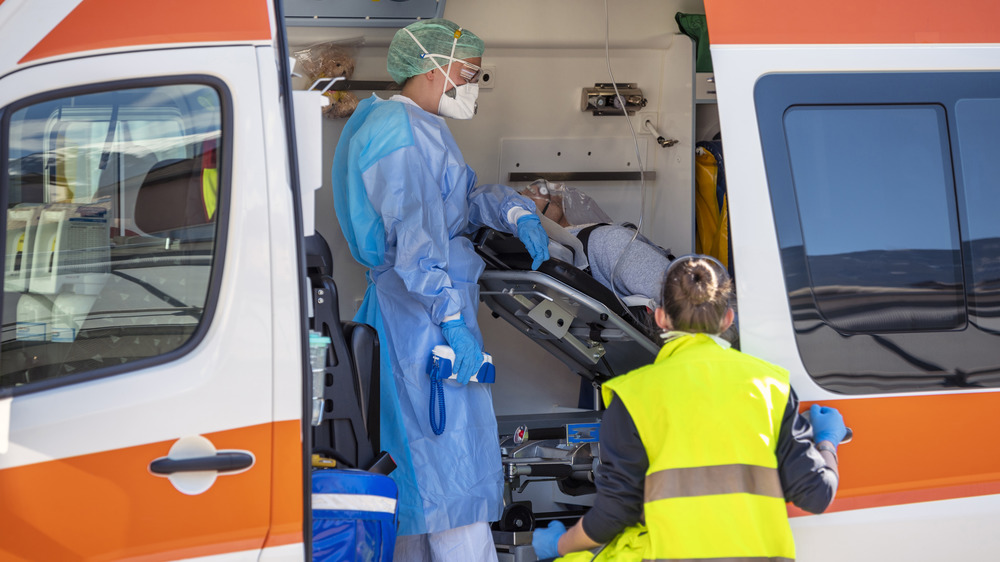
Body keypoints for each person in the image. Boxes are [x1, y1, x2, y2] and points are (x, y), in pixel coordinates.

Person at [330, 18, 550, 562]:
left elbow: (460, 202)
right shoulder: (396, 131)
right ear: (432, 68)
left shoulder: (423, 127)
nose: (474, 82)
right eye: (468, 72)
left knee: (425, 479)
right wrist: (450, 317)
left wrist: (514, 210)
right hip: (421, 320)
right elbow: (416, 242)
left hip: (429, 313)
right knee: (446, 479)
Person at [531, 255, 847, 562]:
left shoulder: (632, 396)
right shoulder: (772, 387)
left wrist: (559, 545)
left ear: (659, 317)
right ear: (727, 319)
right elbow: (817, 495)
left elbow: (613, 515)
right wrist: (827, 441)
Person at [518, 180, 673, 305]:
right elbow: (680, 296)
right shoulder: (608, 241)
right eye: (523, 198)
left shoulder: (579, 246)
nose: (536, 188)